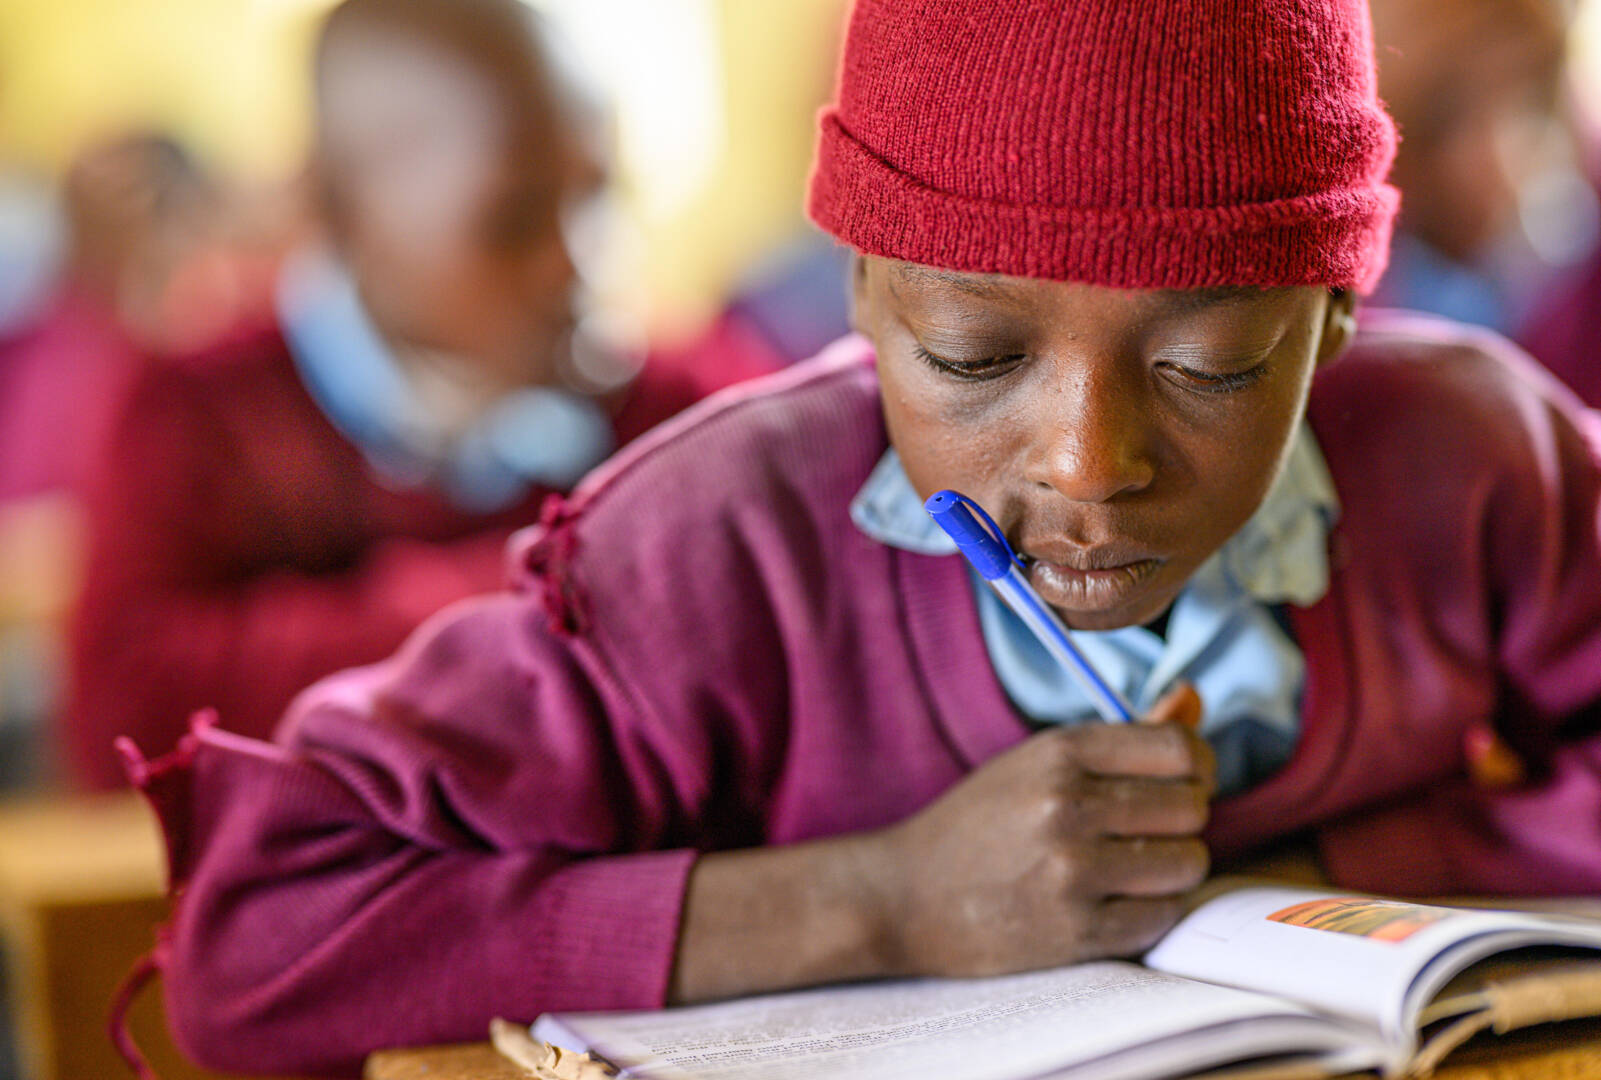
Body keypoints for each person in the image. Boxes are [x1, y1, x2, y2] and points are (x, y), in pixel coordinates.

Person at [123, 0, 1601, 1075]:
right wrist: (874, 899)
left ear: (1334, 314)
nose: (1091, 468)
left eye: (1213, 366)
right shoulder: (722, 553)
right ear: (860, 297)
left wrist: (1306, 864)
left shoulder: (1472, 462)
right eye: (969, 358)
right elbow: (259, 933)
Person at [64, 0, 749, 789]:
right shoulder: (206, 409)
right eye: (516, 219)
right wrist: (551, 585)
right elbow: (123, 710)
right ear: (341, 209)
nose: (578, 266)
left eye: (595, 198)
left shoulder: (675, 395)